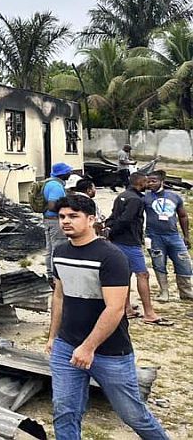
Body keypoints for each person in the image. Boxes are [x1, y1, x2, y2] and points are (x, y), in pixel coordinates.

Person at [47, 193, 169, 439]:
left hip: (110, 352)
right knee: (65, 411)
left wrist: (89, 347)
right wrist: (53, 337)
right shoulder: (60, 252)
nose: (66, 221)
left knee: (133, 415)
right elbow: (59, 297)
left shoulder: (111, 256)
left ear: (91, 219)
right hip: (66, 347)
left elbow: (114, 308)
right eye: (62, 217)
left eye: (73, 216)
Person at [105, 172, 171, 326]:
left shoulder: (123, 195)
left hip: (118, 241)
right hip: (129, 242)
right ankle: (149, 313)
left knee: (125, 274)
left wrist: (109, 229)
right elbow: (126, 220)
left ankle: (127, 308)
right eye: (146, 182)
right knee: (142, 274)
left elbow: (114, 216)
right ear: (140, 182)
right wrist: (113, 231)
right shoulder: (135, 199)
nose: (149, 184)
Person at [144, 170, 193, 301]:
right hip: (154, 236)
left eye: (154, 181)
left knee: (184, 262)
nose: (150, 183)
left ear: (162, 181)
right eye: (148, 181)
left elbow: (183, 216)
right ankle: (164, 292)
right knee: (158, 263)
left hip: (174, 236)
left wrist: (186, 235)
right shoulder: (145, 197)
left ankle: (186, 292)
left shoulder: (174, 197)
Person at [44, 162, 74, 286]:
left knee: (50, 249)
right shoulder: (56, 186)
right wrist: (65, 212)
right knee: (58, 248)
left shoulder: (49, 183)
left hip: (48, 220)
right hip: (55, 221)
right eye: (68, 171)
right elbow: (52, 205)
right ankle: (57, 278)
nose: (70, 173)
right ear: (63, 173)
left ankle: (50, 275)